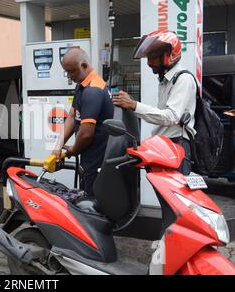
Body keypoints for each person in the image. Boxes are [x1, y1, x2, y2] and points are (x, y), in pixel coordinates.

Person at [112, 30, 196, 175]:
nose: (149, 62)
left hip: (176, 146)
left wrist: (134, 105)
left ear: (170, 55)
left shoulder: (183, 80)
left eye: (154, 57)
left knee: (172, 195)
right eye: (148, 58)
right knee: (163, 195)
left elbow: (171, 117)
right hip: (164, 145)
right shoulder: (165, 80)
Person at [53, 48, 114, 195]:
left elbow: (86, 134)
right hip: (88, 156)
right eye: (66, 72)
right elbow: (72, 116)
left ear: (84, 66)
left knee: (92, 202)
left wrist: (73, 150)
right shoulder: (82, 85)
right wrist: (58, 146)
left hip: (97, 159)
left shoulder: (93, 90)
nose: (69, 76)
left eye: (72, 71)